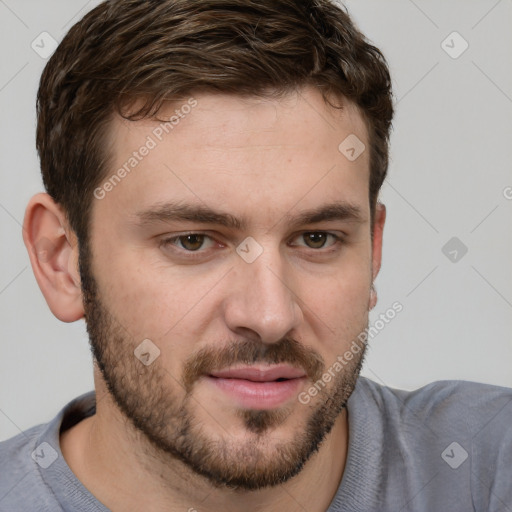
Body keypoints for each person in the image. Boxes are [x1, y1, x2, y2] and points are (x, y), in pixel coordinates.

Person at [0, 0, 511, 510]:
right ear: (61, 260)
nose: (270, 316)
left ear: (374, 250)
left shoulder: (487, 467)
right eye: (193, 241)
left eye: (317, 238)